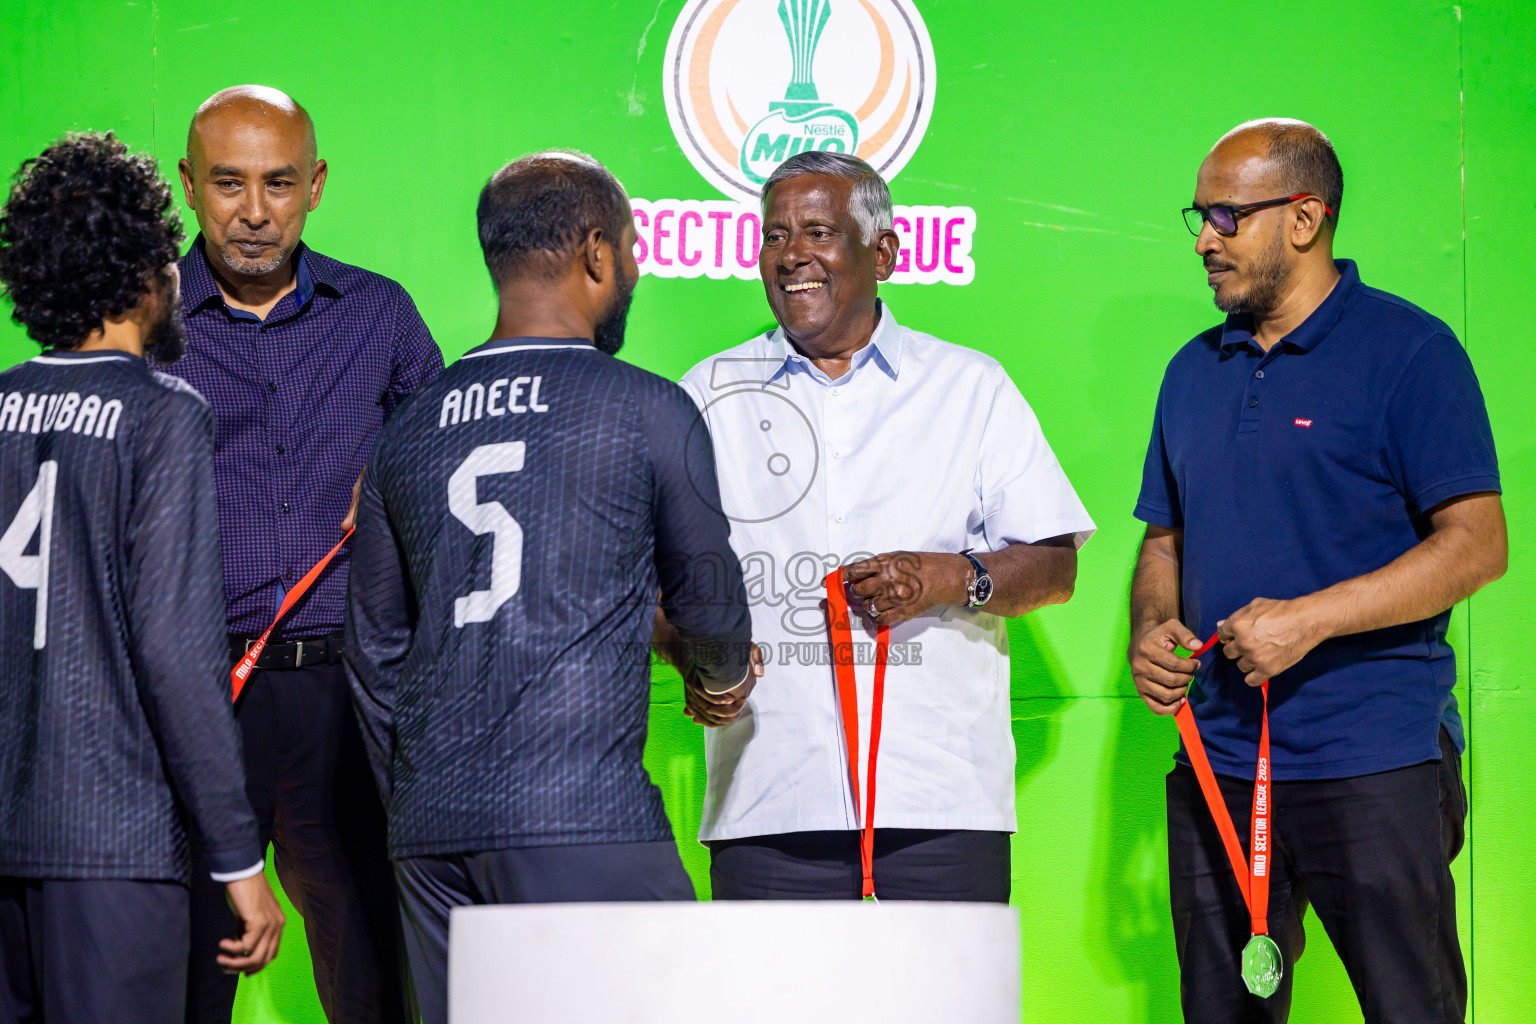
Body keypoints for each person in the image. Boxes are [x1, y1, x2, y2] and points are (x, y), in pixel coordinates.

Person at [344, 150, 756, 1024]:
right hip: (585, 819)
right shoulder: (646, 406)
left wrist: (420, 796)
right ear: (599, 254)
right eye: (634, 251)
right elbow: (712, 606)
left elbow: (373, 651)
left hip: (429, 835)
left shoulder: (407, 431)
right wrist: (716, 677)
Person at [1129, 119, 1506, 1023]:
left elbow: (1477, 544)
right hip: (1217, 766)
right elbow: (1163, 542)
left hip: (1374, 765)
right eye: (1200, 214)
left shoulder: (1411, 354)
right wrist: (1151, 626)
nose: (1204, 238)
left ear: (1305, 219)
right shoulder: (1191, 370)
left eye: (1226, 214)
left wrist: (1312, 619)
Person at [665, 151, 1095, 901]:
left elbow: (1054, 565)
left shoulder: (971, 386)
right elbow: (646, 577)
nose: (791, 254)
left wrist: (949, 577)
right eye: (774, 236)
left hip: (939, 803)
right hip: (768, 801)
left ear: (885, 253)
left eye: (818, 232)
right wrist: (689, 658)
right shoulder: (706, 393)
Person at [161, 85, 442, 1024]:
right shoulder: (143, 324)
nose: (254, 212)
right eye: (228, 184)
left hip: (343, 697)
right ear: (187, 185)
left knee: (372, 979)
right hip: (196, 699)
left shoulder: (380, 315)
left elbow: (450, 472)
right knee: (182, 979)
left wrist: (401, 491)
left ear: (316, 185)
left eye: (279, 183)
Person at [0, 132, 284, 1024]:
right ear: (144, 274)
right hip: (115, 842)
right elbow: (173, 650)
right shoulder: (161, 413)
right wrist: (240, 862)